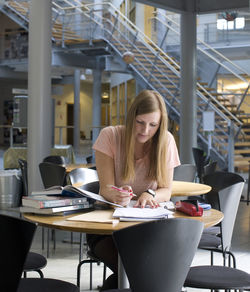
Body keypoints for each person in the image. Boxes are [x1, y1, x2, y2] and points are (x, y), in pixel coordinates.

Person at [86, 89, 180, 290]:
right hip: (107, 230)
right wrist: (116, 194)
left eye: (153, 125)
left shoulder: (166, 141)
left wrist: (150, 193)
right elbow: (105, 188)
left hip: (147, 230)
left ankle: (111, 287)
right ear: (131, 118)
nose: (145, 130)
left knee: (148, 270)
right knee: (142, 272)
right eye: (140, 122)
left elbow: (166, 190)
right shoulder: (110, 136)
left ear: (160, 124)